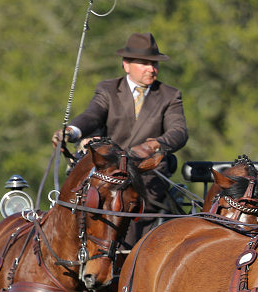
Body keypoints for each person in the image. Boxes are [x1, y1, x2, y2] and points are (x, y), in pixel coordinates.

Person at [52, 32, 189, 246]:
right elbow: (92, 115)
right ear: (126, 65)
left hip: (146, 177)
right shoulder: (108, 90)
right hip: (109, 174)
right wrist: (72, 131)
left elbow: (179, 131)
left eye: (154, 64)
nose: (151, 69)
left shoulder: (169, 95)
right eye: (144, 63)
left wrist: (154, 144)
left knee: (129, 205)